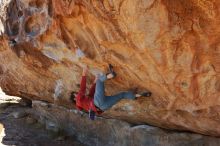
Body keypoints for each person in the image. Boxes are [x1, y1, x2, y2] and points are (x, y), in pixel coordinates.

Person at [71, 64, 152, 120]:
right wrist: (84, 72)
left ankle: (137, 95)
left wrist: (95, 82)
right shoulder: (78, 100)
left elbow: (92, 93)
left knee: (122, 95)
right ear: (74, 98)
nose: (77, 94)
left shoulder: (84, 104)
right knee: (100, 80)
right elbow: (82, 88)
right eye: (76, 94)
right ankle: (111, 74)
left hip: (103, 107)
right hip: (97, 102)